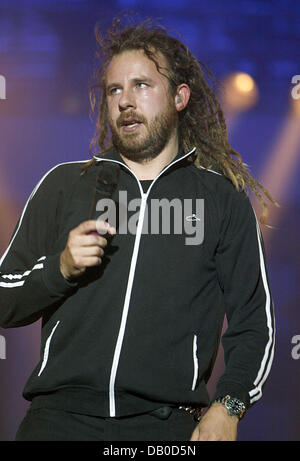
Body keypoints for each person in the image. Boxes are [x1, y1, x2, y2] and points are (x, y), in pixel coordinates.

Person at [0, 18, 276, 441]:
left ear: (180, 97)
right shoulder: (65, 184)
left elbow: (254, 322)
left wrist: (230, 405)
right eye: (115, 90)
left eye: (142, 85)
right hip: (56, 422)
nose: (125, 101)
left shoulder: (222, 199)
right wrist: (60, 268)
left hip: (165, 428)